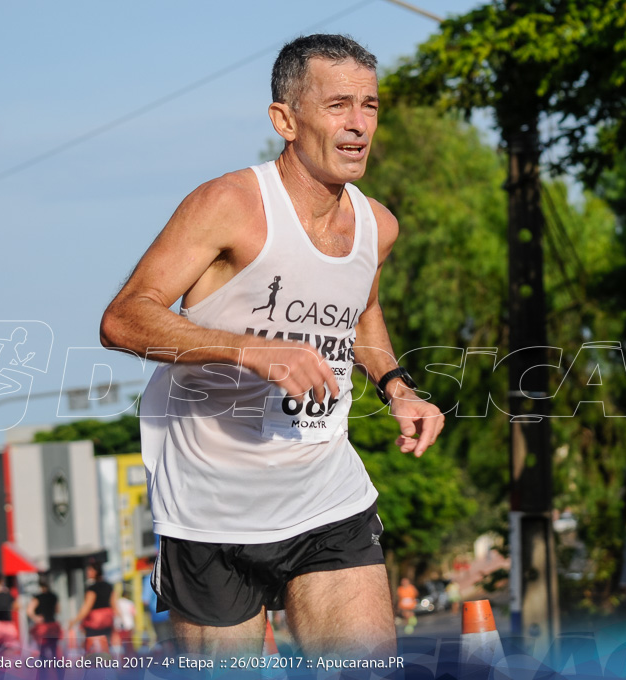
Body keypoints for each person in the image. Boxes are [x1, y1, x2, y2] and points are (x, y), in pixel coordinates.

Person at [100, 33, 444, 658]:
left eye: (369, 105)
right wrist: (252, 349)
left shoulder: (377, 225)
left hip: (324, 496)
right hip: (208, 510)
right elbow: (124, 319)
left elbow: (362, 316)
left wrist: (397, 387)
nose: (359, 125)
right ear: (285, 119)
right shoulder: (229, 205)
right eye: (338, 105)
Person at [71, 560, 117, 652]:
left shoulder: (92, 588)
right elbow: (114, 604)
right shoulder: (109, 586)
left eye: (89, 570)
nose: (87, 572)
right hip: (107, 619)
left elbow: (86, 607)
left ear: (95, 571)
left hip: (94, 621)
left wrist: (74, 621)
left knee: (91, 646)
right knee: (106, 645)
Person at [27, 575, 62, 660]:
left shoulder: (37, 598)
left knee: (42, 651)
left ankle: (44, 671)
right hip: (53, 626)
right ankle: (58, 671)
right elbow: (58, 610)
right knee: (54, 651)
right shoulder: (54, 596)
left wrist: (36, 618)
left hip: (42, 627)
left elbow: (29, 611)